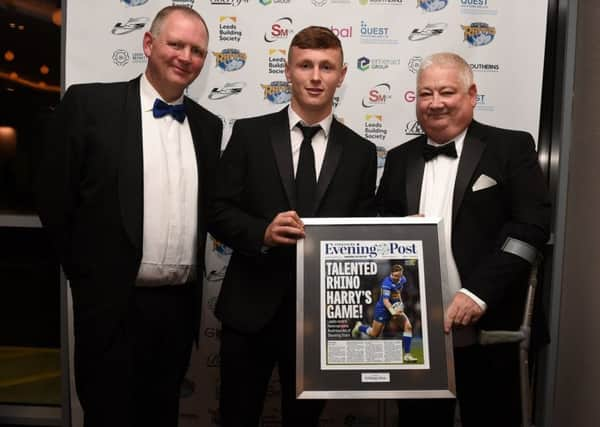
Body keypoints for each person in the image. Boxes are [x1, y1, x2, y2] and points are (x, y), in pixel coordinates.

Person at [35, 6, 222, 427]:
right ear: (149, 44)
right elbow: (53, 198)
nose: (185, 56)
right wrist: (87, 276)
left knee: (161, 416)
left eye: (196, 50)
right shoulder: (90, 105)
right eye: (175, 44)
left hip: (176, 311)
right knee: (107, 416)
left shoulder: (209, 127)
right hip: (111, 305)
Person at [208, 26, 377, 427]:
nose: (316, 76)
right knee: (236, 415)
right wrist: (261, 233)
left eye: (326, 67)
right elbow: (217, 209)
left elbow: (363, 233)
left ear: (342, 74)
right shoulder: (249, 134)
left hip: (322, 322)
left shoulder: (361, 152)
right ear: (287, 71)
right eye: (305, 65)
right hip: (250, 312)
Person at [376, 52, 551, 427]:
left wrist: (477, 294)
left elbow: (531, 228)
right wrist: (396, 231)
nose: (435, 103)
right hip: (418, 337)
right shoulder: (398, 159)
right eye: (426, 94)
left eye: (446, 92)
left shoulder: (511, 148)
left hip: (492, 330)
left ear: (471, 95)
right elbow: (377, 228)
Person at [352, 265, 418, 363]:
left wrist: (400, 304)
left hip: (394, 306)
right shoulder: (386, 284)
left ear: (401, 274)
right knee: (375, 333)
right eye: (395, 276)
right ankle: (360, 327)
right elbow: (386, 301)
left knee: (408, 326)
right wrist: (393, 312)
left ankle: (407, 355)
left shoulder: (402, 279)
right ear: (391, 274)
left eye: (398, 276)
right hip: (383, 309)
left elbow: (398, 292)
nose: (396, 278)